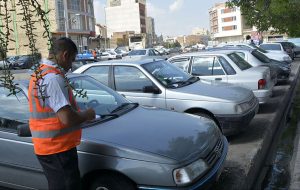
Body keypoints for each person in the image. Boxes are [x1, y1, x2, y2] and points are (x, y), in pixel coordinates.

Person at [28, 37, 96, 190]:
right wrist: (87, 115)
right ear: (65, 55)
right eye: (72, 60)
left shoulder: (39, 74)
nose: (71, 66)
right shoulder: (52, 78)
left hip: (49, 148)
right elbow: (66, 118)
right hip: (58, 149)